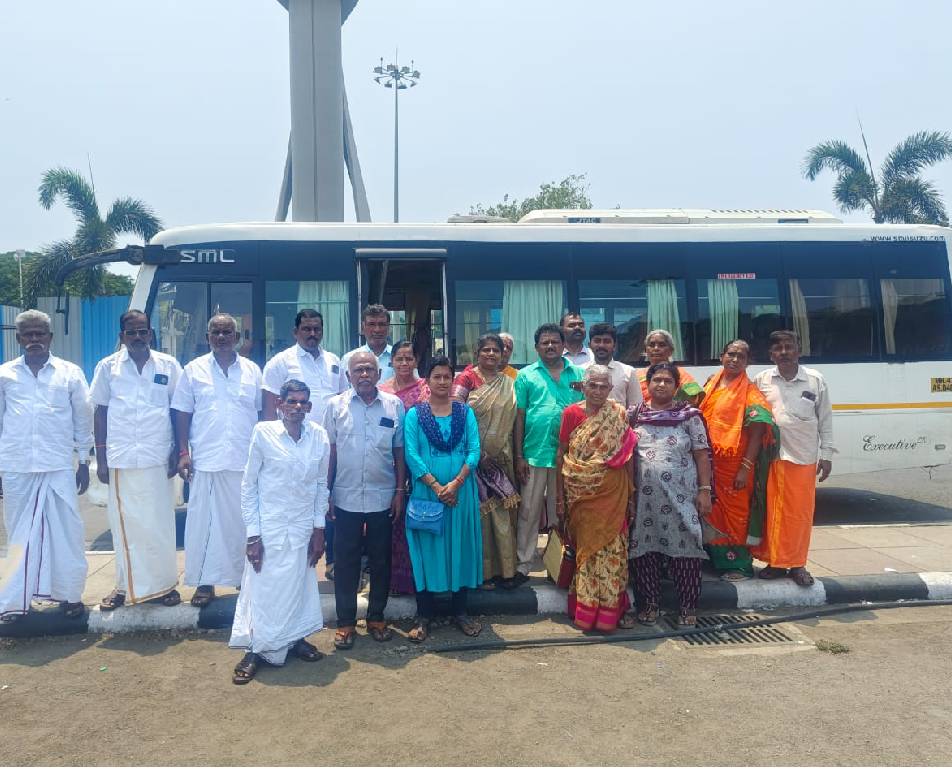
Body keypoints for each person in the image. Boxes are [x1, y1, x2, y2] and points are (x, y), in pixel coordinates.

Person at [229, 379, 328, 684]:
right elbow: (249, 486)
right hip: (270, 527)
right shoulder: (263, 433)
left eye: (303, 402)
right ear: (279, 404)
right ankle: (256, 650)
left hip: (302, 526)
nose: (297, 407)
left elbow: (321, 485)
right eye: (291, 401)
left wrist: (319, 530)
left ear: (309, 406)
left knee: (298, 585)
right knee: (264, 589)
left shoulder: (319, 436)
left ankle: (295, 639)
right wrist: (253, 535)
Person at [0, 310, 92, 622]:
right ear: (19, 338)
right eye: (28, 334)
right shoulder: (5, 375)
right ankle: (14, 602)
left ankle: (70, 596)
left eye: (40, 333)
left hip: (58, 467)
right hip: (17, 468)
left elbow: (83, 420)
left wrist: (83, 461)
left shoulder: (69, 373)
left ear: (50, 337)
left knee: (67, 534)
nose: (34, 339)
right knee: (19, 536)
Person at [91, 310, 183, 609]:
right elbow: (100, 411)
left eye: (143, 331)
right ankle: (122, 587)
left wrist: (178, 450)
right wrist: (101, 457)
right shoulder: (108, 367)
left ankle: (165, 586)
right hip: (122, 459)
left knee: (159, 525)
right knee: (124, 527)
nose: (138, 337)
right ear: (122, 337)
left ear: (151, 333)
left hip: (158, 457)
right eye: (131, 332)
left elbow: (178, 410)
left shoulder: (168, 365)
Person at [172, 313, 263, 607]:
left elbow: (261, 415)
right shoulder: (193, 370)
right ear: (207, 337)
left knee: (242, 525)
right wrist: (183, 452)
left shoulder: (252, 371)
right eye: (216, 332)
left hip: (243, 460)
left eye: (227, 332)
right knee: (203, 526)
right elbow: (182, 412)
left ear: (236, 337)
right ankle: (204, 582)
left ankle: (243, 579)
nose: (221, 337)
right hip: (206, 459)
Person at [323, 351, 406, 649]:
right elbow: (330, 452)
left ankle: (376, 618)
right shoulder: (335, 406)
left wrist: (399, 491)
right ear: (348, 376)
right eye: (358, 370)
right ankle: (345, 622)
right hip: (345, 497)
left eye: (370, 369)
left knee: (381, 560)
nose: (364, 375)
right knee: (345, 561)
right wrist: (326, 493)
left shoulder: (394, 405)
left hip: (382, 497)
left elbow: (399, 451)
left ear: (379, 373)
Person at [403, 357, 483, 642]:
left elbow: (474, 450)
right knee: (426, 551)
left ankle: (460, 612)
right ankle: (424, 615)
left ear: (453, 380)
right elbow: (411, 454)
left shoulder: (465, 413)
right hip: (427, 495)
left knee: (460, 547)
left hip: (461, 495)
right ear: (427, 381)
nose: (442, 381)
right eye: (436, 376)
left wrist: (456, 484)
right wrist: (437, 487)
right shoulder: (415, 415)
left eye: (447, 376)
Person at [630, 362, 712, 627]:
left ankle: (688, 607)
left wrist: (705, 491)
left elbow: (702, 455)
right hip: (644, 501)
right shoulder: (634, 415)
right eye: (657, 380)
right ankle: (650, 605)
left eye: (668, 381)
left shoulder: (689, 416)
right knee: (644, 552)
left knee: (686, 549)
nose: (662, 385)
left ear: (676, 387)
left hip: (682, 498)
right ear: (648, 384)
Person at [556, 365, 637, 633]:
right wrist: (559, 498)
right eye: (593, 385)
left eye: (604, 386)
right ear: (583, 386)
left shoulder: (618, 414)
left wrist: (631, 495)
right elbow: (562, 455)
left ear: (611, 389)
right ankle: (585, 611)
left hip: (614, 493)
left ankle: (611, 612)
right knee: (586, 552)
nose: (598, 391)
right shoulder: (571, 413)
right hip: (581, 495)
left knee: (615, 552)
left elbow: (627, 456)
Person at [753, 330, 834, 587]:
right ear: (771, 354)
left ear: (799, 350)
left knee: (799, 515)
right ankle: (776, 563)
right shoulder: (762, 379)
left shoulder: (815, 380)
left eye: (789, 347)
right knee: (773, 513)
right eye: (778, 348)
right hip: (771, 457)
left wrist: (827, 454)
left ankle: (798, 564)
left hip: (803, 456)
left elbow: (825, 419)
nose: (784, 352)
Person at [512, 323, 585, 587]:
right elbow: (520, 417)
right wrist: (519, 456)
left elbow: (585, 411)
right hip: (534, 453)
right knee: (529, 511)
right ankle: (524, 564)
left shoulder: (578, 374)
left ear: (564, 345)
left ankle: (560, 565)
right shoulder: (526, 376)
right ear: (536, 347)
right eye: (545, 342)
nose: (550, 346)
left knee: (562, 512)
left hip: (569, 456)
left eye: (555, 341)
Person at [699, 340, 778, 580]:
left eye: (741, 356)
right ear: (721, 356)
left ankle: (738, 565)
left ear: (748, 362)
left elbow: (757, 432)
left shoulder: (750, 393)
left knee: (736, 514)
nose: (734, 360)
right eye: (731, 354)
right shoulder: (712, 383)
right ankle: (714, 560)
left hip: (735, 466)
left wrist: (745, 468)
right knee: (710, 511)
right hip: (709, 464)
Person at [452, 333, 520, 589]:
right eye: (486, 350)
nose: (491, 354)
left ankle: (505, 571)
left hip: (502, 457)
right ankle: (482, 573)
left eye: (496, 350)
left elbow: (513, 422)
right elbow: (456, 413)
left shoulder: (509, 382)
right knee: (480, 516)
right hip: (473, 459)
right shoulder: (466, 379)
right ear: (477, 353)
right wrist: (477, 453)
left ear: (503, 354)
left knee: (502, 514)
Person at [378, 339, 428, 595]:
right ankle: (395, 581)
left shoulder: (426, 389)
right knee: (392, 521)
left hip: (419, 464)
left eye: (409, 358)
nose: (405, 363)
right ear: (391, 361)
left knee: (418, 519)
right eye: (400, 358)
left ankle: (420, 579)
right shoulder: (382, 391)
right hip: (388, 464)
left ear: (416, 361)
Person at [262, 308, 346, 424]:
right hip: (295, 433)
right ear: (295, 332)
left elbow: (343, 398)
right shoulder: (280, 362)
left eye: (317, 329)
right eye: (307, 329)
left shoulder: (334, 361)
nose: (312, 334)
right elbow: (270, 408)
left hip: (331, 432)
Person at [585, 322, 642, 409]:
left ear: (614, 346)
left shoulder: (628, 372)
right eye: (597, 341)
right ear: (589, 345)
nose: (601, 345)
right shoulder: (582, 371)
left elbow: (636, 408)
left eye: (606, 341)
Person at [637, 329, 702, 405]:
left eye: (661, 345)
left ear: (671, 351)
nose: (656, 348)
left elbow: (697, 397)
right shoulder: (638, 375)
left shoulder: (680, 374)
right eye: (651, 345)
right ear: (646, 350)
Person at [342, 304, 394, 382]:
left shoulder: (399, 358)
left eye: (382, 324)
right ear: (363, 327)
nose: (377, 330)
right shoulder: (349, 359)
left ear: (388, 327)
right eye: (371, 324)